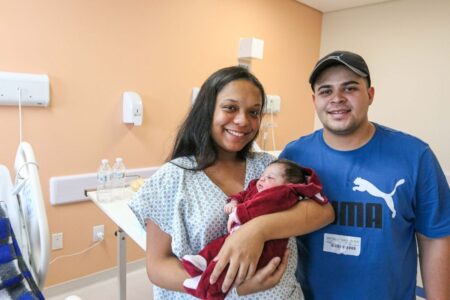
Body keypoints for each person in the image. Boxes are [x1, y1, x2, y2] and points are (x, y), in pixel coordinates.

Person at [128, 66, 335, 299]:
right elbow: (157, 267)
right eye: (230, 108)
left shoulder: (269, 167)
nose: (242, 120)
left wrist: (256, 230)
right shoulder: (173, 177)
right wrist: (232, 288)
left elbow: (322, 212)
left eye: (254, 112)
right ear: (207, 111)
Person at [280, 50, 450, 300]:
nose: (336, 99)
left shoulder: (415, 156)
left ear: (370, 95)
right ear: (314, 99)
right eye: (326, 91)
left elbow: (434, 238)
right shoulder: (293, 156)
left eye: (349, 88)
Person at [181, 159, 328, 299]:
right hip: (238, 236)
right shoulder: (258, 186)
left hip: (267, 249)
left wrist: (240, 213)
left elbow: (260, 206)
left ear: (289, 184)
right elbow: (244, 195)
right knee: (223, 247)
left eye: (269, 177)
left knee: (230, 263)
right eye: (262, 176)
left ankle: (209, 288)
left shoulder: (284, 194)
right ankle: (203, 261)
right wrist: (235, 200)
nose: (262, 179)